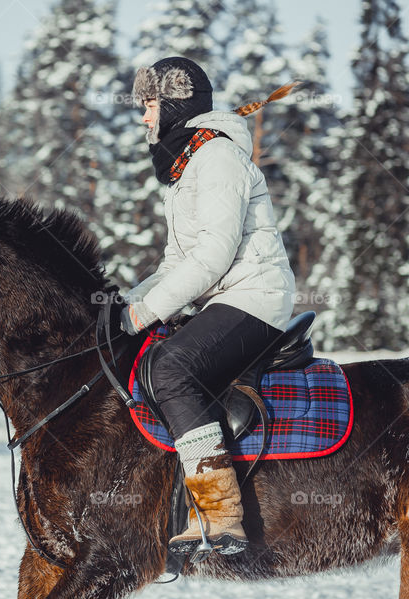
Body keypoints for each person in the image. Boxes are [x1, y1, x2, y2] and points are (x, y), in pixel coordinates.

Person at [120, 56, 296, 556]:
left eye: (149, 106)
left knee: (172, 369)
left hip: (254, 296)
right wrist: (126, 306)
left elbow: (213, 254)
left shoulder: (217, 157)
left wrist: (146, 311)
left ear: (174, 104)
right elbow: (177, 258)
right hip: (226, 295)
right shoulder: (187, 164)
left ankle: (220, 516)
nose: (143, 118)